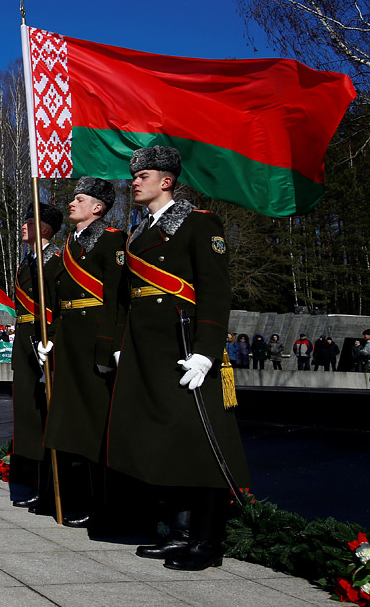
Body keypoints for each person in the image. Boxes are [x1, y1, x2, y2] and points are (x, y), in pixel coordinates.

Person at [106, 146, 250, 571]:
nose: (134, 181)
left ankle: (207, 541)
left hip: (184, 346)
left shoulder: (199, 224)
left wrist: (207, 353)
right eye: (134, 175)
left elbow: (215, 291)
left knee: (199, 440)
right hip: (148, 350)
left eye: (144, 175)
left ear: (167, 181)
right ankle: (179, 532)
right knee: (165, 441)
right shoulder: (137, 232)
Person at [41, 177, 126, 529]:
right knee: (72, 425)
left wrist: (110, 347)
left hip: (93, 340)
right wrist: (50, 338)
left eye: (79, 199)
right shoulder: (69, 246)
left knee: (95, 427)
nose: (71, 204)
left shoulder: (112, 240)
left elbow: (116, 299)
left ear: (98, 207)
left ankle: (105, 507)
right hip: (69, 342)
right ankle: (78, 500)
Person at [10, 201, 63, 513]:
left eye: (28, 222)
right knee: (28, 416)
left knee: (45, 415)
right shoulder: (26, 261)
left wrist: (52, 340)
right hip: (24, 340)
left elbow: (56, 304)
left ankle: (47, 485)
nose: (23, 227)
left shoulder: (54, 259)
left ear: (44, 229)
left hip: (43, 340)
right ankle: (32, 482)